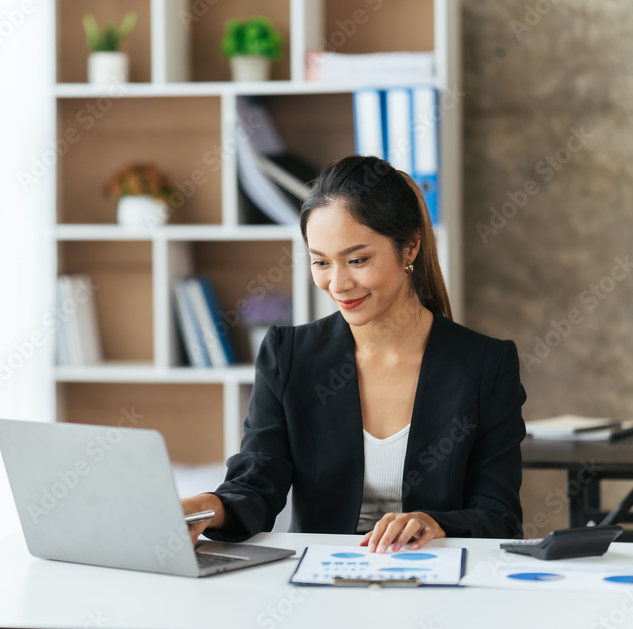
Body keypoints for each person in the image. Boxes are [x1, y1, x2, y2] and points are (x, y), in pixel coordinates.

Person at [181, 155, 527, 553]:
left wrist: (434, 523)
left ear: (410, 247)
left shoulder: (484, 365)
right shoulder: (289, 355)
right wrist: (205, 506)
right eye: (321, 262)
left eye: (358, 260)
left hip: (432, 585)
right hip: (321, 586)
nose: (338, 283)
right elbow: (257, 483)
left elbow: (499, 515)